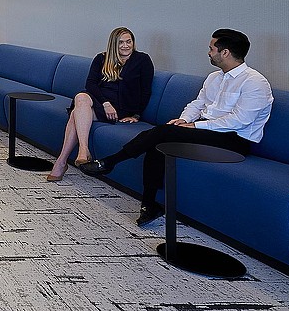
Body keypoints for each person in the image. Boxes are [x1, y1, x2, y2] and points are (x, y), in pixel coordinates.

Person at [80, 29, 273, 226]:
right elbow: (197, 104)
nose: (208, 52)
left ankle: (110, 162)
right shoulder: (214, 78)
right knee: (160, 141)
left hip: (235, 141)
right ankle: (149, 206)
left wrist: (195, 126)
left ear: (225, 53)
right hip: (208, 132)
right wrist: (183, 120)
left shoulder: (255, 82)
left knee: (162, 133)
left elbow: (240, 121)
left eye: (211, 48)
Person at [47, 27, 154, 181]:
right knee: (81, 98)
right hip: (100, 101)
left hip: (121, 108)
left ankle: (61, 162)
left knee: (76, 115)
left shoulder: (142, 60)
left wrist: (136, 115)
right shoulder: (102, 58)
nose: (125, 46)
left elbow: (146, 91)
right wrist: (105, 103)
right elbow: (90, 84)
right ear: (113, 45)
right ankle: (83, 150)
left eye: (129, 42)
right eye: (121, 43)